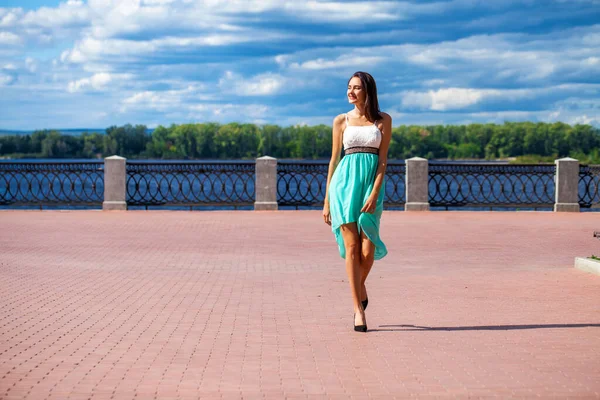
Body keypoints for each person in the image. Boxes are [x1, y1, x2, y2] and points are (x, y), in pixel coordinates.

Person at [323, 71, 391, 333]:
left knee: (367, 250)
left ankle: (358, 286)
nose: (350, 92)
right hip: (343, 187)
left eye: (356, 88)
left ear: (368, 91)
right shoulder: (341, 120)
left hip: (370, 186)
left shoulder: (383, 120)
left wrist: (375, 192)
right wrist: (328, 199)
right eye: (349, 87)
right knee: (351, 247)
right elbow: (334, 160)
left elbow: (383, 160)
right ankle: (357, 310)